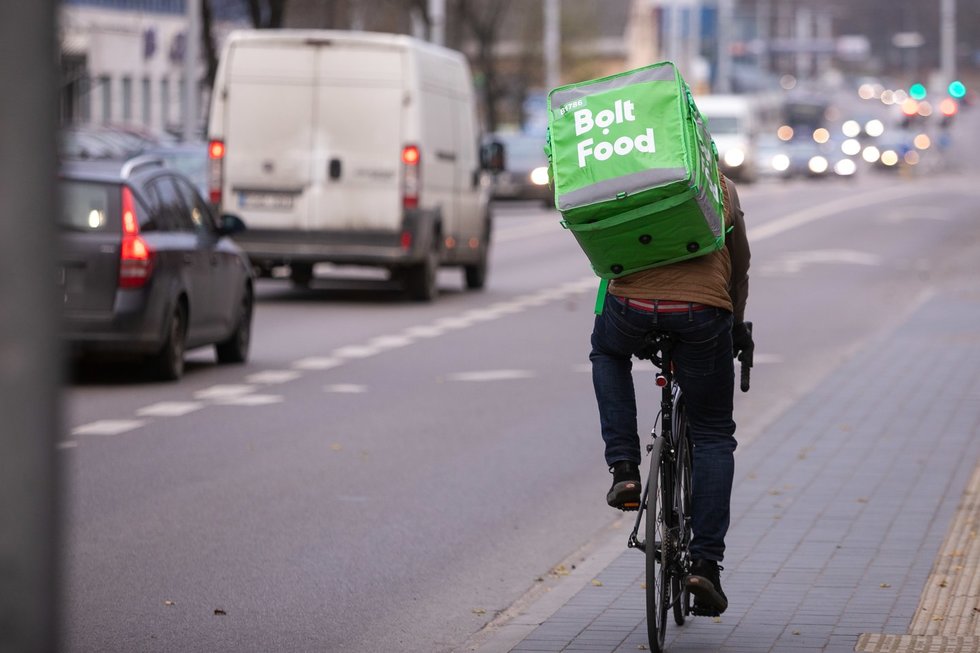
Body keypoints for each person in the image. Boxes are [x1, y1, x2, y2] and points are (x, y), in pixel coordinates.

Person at [589, 174, 752, 616]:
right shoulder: (718, 183)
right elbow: (738, 266)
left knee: (607, 352)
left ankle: (624, 467)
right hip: (702, 314)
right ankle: (705, 565)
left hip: (632, 307)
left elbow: (605, 248)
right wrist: (736, 328)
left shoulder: (626, 174)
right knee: (714, 434)